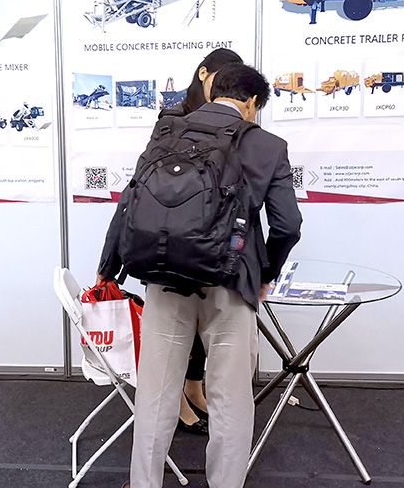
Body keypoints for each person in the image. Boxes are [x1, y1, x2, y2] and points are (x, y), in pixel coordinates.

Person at [98, 62, 303, 488]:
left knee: (155, 395)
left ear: (212, 92)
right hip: (231, 282)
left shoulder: (166, 130)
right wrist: (265, 273)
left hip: (164, 277)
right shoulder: (267, 145)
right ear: (252, 103)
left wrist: (109, 267)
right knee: (230, 399)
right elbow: (287, 225)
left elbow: (129, 201)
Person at [172, 48, 244, 436]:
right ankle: (178, 401)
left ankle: (194, 387)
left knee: (205, 322)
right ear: (203, 74)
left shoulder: (232, 122)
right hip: (180, 236)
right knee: (180, 321)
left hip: (215, 236)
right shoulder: (175, 118)